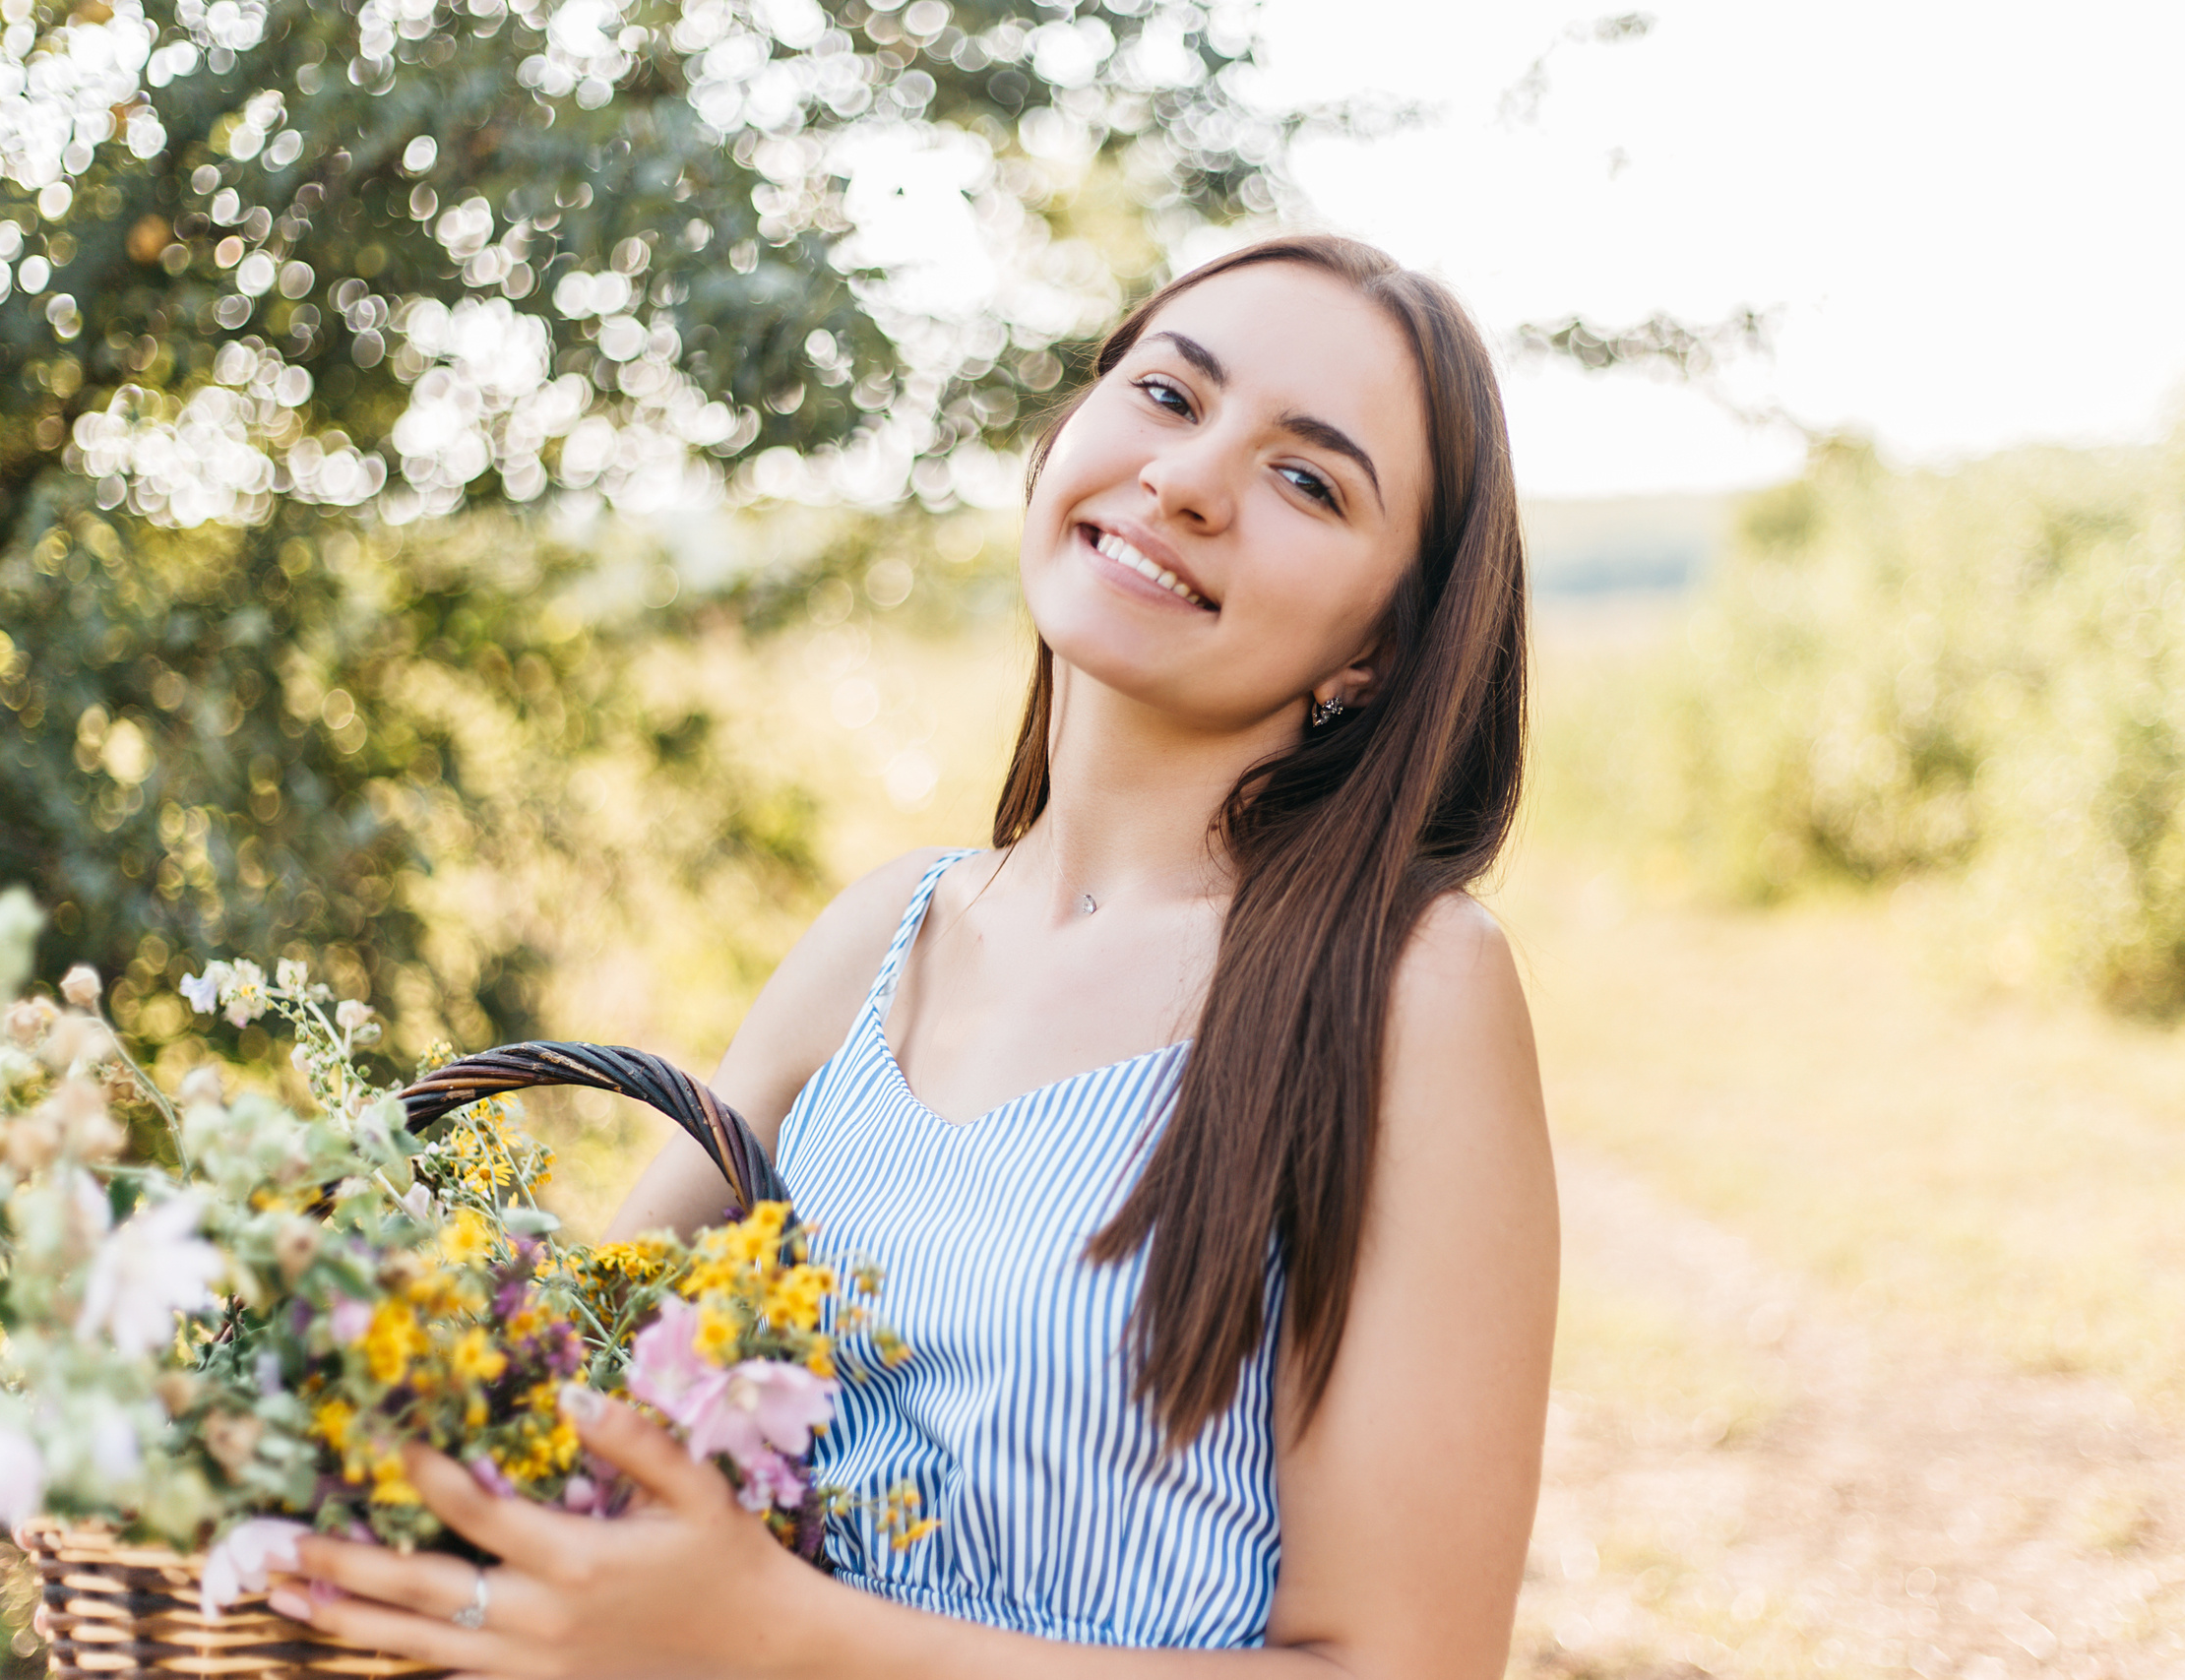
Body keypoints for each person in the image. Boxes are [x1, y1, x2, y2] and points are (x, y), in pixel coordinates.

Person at [270, 232, 1559, 1678]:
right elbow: (570, 1367)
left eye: (1308, 479)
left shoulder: (1404, 991)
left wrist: (779, 1641)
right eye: (1169, 397)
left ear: (1376, 651)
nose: (1189, 481)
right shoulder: (882, 935)